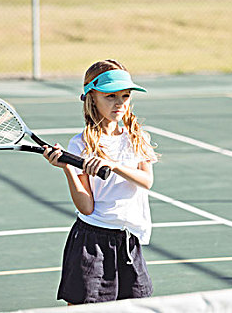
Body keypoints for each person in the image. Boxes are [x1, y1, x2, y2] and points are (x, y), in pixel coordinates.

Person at [42, 59, 158, 305]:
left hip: (128, 241)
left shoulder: (138, 138)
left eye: (125, 96)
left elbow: (147, 181)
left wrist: (114, 166)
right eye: (110, 96)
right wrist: (68, 170)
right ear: (91, 97)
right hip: (91, 242)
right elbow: (86, 207)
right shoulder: (80, 144)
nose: (119, 103)